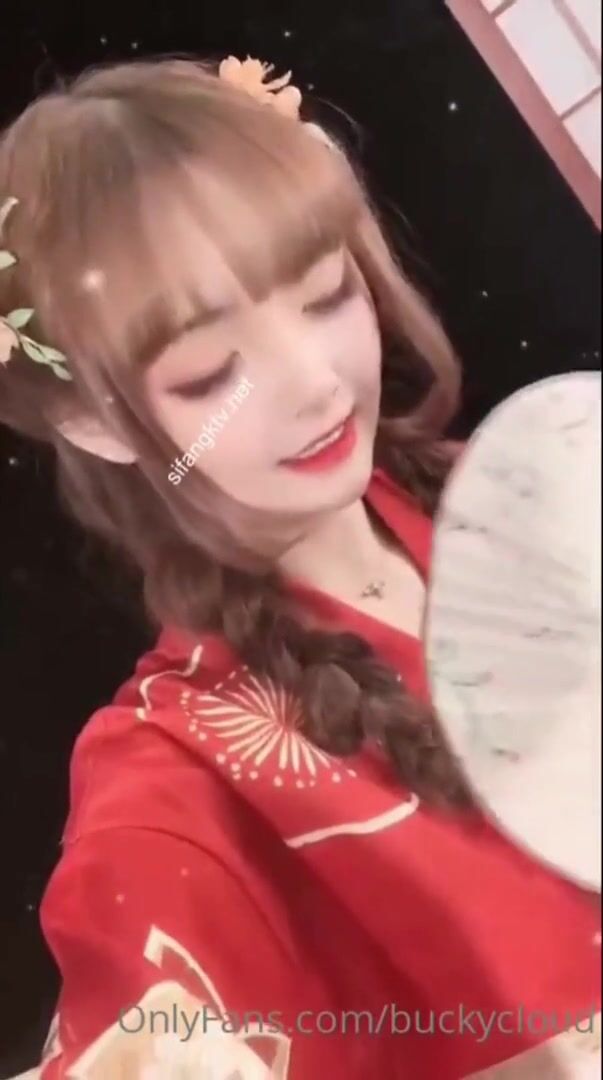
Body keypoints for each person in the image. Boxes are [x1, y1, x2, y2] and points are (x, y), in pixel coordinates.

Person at [0, 56, 599, 1080]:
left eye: (326, 296)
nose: (314, 382)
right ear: (91, 419)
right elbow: (140, 1006)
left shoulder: (547, 483)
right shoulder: (182, 773)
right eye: (211, 374)